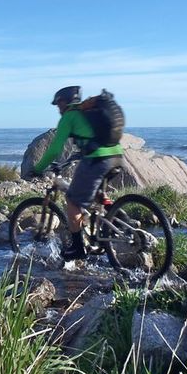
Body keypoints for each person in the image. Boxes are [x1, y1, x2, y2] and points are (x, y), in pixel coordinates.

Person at [31, 85, 124, 260]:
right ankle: (119, 218)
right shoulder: (88, 113)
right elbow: (89, 139)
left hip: (97, 160)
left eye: (58, 104)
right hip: (116, 157)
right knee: (97, 195)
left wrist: (37, 168)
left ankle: (78, 248)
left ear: (65, 102)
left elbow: (54, 149)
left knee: (72, 201)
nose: (58, 108)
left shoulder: (69, 116)